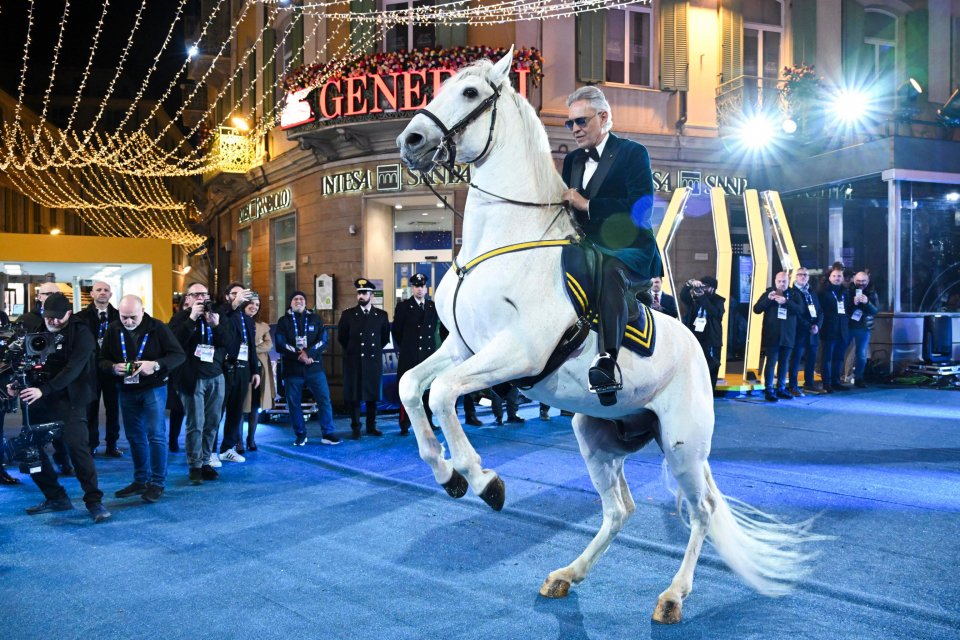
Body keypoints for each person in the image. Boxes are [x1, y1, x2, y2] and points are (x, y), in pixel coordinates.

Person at [560, 85, 663, 405]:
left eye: (581, 122)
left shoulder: (633, 152)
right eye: (570, 124)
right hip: (588, 245)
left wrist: (588, 204)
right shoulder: (572, 161)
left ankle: (606, 360)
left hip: (629, 249)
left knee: (609, 268)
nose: (575, 129)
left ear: (603, 117)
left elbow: (639, 207)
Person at [6, 293, 111, 522]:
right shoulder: (33, 327)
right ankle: (56, 497)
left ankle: (94, 501)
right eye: (49, 317)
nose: (53, 322)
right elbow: (23, 362)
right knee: (30, 449)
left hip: (70, 400)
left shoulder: (82, 332)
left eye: (58, 318)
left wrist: (44, 389)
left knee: (78, 450)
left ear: (69, 314)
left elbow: (72, 370)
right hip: (37, 399)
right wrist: (15, 385)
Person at [99, 295, 185, 503]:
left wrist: (155, 365)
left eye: (133, 317)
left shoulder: (158, 327)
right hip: (127, 389)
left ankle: (157, 483)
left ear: (143, 311)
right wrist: (112, 367)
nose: (128, 322)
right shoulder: (113, 328)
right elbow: (101, 359)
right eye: (124, 317)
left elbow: (178, 355)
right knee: (134, 436)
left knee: (156, 435)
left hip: (153, 388)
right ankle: (140, 480)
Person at [168, 282, 234, 484]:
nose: (200, 298)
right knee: (195, 423)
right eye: (195, 294)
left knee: (213, 421)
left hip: (215, 376)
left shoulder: (216, 316)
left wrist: (216, 325)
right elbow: (175, 344)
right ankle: (194, 464)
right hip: (191, 378)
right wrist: (191, 318)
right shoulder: (179, 318)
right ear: (187, 298)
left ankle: (206, 460)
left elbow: (229, 343)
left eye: (204, 294)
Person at [16, 283, 74, 475]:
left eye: (56, 293)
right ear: (38, 296)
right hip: (32, 385)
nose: (51, 296)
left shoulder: (68, 324)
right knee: (33, 430)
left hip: (59, 385)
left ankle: (64, 460)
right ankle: (36, 468)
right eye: (47, 293)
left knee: (61, 429)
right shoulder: (26, 320)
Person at [275, 290, 339, 446]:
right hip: (292, 369)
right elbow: (280, 343)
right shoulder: (283, 321)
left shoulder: (315, 319)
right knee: (293, 403)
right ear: (290, 303)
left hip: (314, 368)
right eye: (295, 298)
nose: (299, 301)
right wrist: (300, 355)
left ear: (305, 302)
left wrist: (309, 353)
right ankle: (301, 434)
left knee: (324, 400)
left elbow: (323, 340)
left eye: (301, 298)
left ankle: (328, 433)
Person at [74, 280, 123, 457]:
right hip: (90, 370)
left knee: (113, 409)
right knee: (90, 408)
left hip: (112, 369)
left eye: (106, 290)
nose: (103, 292)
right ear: (92, 294)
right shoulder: (80, 317)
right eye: (99, 290)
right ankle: (91, 443)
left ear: (110, 294)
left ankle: (112, 444)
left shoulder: (120, 316)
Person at [338, 278, 391, 439]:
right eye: (359, 293)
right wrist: (353, 351)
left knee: (372, 396)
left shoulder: (381, 315)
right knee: (354, 396)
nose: (361, 296)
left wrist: (371, 350)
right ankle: (356, 427)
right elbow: (342, 337)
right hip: (354, 361)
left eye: (364, 293)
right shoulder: (348, 315)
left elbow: (384, 338)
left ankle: (371, 426)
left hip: (372, 360)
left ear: (371, 295)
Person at [215, 283, 261, 463]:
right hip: (224, 368)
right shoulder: (222, 312)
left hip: (243, 369)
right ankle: (209, 451)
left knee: (236, 412)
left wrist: (255, 370)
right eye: (234, 294)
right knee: (216, 413)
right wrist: (233, 305)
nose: (239, 297)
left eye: (242, 294)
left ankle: (228, 447)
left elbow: (251, 347)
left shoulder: (247, 318)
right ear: (227, 296)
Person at [391, 273, 439, 435]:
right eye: (417, 286)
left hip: (427, 355)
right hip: (410, 355)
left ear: (426, 289)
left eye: (422, 286)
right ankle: (405, 423)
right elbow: (397, 332)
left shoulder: (432, 306)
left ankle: (428, 421)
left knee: (427, 389)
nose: (420, 289)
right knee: (408, 389)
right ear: (412, 288)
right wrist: (407, 347)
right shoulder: (404, 307)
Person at [752, 272, 805, 402]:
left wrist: (786, 302)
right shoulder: (769, 293)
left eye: (784, 281)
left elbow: (801, 310)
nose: (782, 284)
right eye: (779, 281)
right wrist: (768, 299)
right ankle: (769, 390)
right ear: (775, 281)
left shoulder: (794, 294)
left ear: (788, 281)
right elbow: (757, 309)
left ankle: (781, 389)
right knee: (771, 363)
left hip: (788, 335)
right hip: (772, 334)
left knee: (784, 363)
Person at [680, 276, 725, 390]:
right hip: (696, 338)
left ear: (712, 289)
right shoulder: (695, 299)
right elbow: (683, 296)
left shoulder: (719, 300)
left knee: (712, 366)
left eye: (706, 287)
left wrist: (703, 297)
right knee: (696, 365)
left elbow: (714, 312)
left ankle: (710, 391)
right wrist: (689, 283)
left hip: (711, 340)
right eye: (702, 286)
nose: (703, 289)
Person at [242, 294, 274, 451]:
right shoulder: (236, 322)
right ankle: (237, 441)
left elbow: (269, 345)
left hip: (258, 369)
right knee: (240, 406)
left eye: (257, 304)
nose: (254, 306)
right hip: (241, 368)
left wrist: (251, 350)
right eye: (251, 303)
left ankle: (251, 439)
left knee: (255, 405)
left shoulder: (262, 326)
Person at [787, 267, 823, 396]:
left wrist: (817, 326)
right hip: (799, 331)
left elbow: (819, 311)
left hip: (813, 332)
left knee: (812, 358)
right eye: (800, 274)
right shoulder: (792, 293)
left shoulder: (812, 292)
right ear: (795, 277)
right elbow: (796, 313)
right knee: (796, 359)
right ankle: (793, 386)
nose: (803, 277)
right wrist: (809, 326)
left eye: (805, 275)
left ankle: (809, 384)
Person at [818, 266, 851, 392]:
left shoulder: (844, 291)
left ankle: (836, 381)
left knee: (839, 357)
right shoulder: (823, 292)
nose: (837, 278)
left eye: (839, 276)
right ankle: (826, 383)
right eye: (834, 276)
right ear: (829, 277)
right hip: (828, 329)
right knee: (827, 358)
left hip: (842, 330)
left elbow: (847, 309)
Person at [847, 271, 880, 388]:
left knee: (861, 354)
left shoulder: (872, 292)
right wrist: (852, 303)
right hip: (848, 326)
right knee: (842, 353)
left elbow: (875, 311)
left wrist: (867, 303)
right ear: (854, 280)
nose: (861, 284)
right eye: (858, 281)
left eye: (863, 281)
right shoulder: (848, 290)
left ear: (868, 281)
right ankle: (840, 377)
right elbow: (843, 309)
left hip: (864, 327)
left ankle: (859, 378)